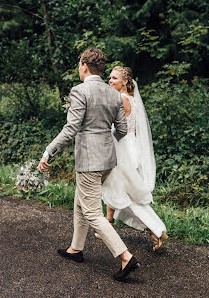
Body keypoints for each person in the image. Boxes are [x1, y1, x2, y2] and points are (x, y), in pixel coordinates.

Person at [37, 48, 140, 281]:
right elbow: (122, 130)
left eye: (79, 64)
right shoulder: (113, 93)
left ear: (84, 65)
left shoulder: (80, 91)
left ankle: (125, 257)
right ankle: (76, 248)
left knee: (93, 212)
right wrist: (102, 135)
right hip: (107, 161)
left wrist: (48, 152)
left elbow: (71, 128)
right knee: (80, 200)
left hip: (90, 162)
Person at [99, 66, 168, 251]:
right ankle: (109, 224)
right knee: (113, 187)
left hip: (121, 148)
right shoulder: (132, 100)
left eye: (114, 78)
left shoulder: (121, 99)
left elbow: (113, 127)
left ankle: (155, 229)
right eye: (110, 77)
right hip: (129, 147)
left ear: (125, 82)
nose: (110, 80)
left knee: (122, 194)